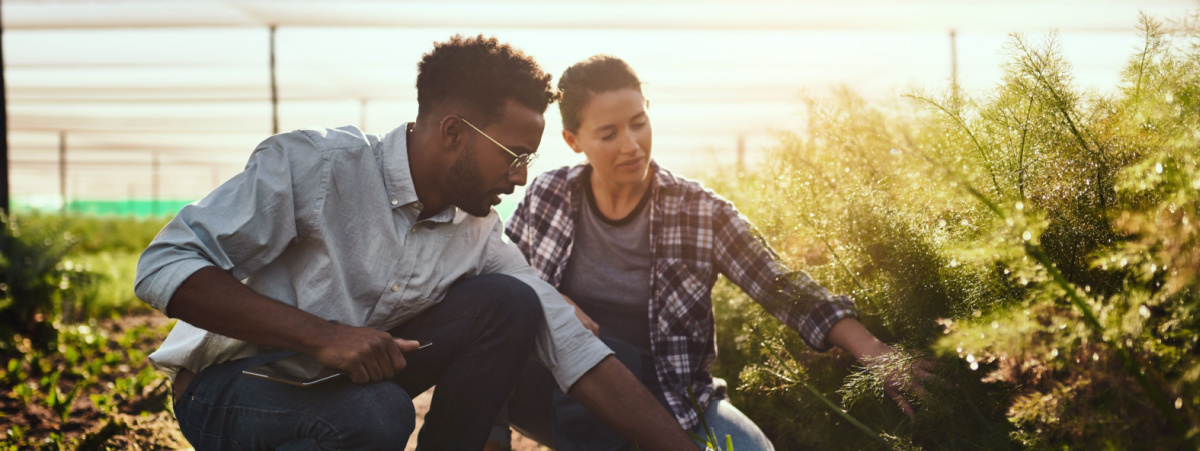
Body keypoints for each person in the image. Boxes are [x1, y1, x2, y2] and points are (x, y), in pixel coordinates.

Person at [134, 37, 698, 451]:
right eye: (514, 155)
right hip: (230, 390)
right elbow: (163, 264)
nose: (521, 177)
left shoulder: (477, 233)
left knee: (511, 303)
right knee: (378, 415)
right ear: (454, 132)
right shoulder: (318, 168)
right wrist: (323, 336)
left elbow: (573, 348)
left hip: (342, 388)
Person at [496, 56, 920, 450]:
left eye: (639, 123)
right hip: (562, 387)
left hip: (671, 393)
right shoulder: (548, 195)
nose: (632, 145)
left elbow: (778, 283)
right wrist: (553, 301)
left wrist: (873, 351)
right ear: (573, 140)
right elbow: (498, 270)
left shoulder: (700, 211)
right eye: (608, 134)